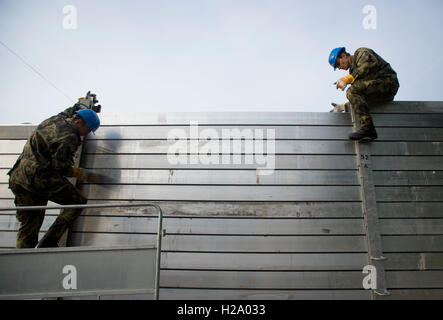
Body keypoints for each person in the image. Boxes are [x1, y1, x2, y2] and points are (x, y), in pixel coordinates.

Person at [8, 104, 100, 248]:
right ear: (78, 122)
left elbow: (69, 110)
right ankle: (50, 240)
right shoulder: (70, 137)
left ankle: (23, 261)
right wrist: (79, 173)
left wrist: (81, 105)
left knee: (30, 224)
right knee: (77, 202)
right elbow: (60, 167)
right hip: (39, 178)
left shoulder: (56, 119)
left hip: (19, 176)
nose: (86, 134)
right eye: (87, 129)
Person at [329, 47, 400, 141]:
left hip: (387, 82)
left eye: (338, 64)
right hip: (377, 90)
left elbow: (368, 65)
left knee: (352, 91)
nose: (339, 68)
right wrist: (344, 106)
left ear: (343, 56)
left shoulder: (360, 53)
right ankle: (367, 129)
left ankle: (368, 128)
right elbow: (359, 97)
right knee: (354, 91)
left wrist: (349, 78)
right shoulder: (353, 72)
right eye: (337, 67)